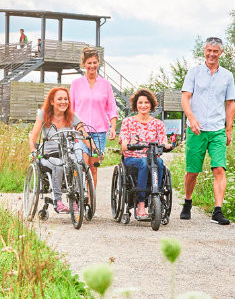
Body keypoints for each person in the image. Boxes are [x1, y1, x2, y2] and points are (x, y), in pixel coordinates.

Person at [180, 36, 235, 225]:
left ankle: (217, 211)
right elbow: (185, 97)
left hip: (217, 129)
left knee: (219, 168)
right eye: (209, 50)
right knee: (192, 171)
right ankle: (188, 202)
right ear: (204, 51)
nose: (212, 54)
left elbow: (230, 103)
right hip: (196, 129)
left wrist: (228, 129)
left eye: (215, 51)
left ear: (221, 53)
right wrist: (191, 118)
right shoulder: (194, 72)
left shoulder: (227, 76)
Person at [28, 87, 88, 213]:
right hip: (48, 154)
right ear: (52, 101)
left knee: (77, 162)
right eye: (59, 99)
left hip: (66, 151)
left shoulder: (72, 116)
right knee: (59, 165)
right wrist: (33, 150)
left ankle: (74, 199)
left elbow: (84, 135)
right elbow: (33, 137)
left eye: (66, 99)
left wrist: (95, 149)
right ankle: (58, 201)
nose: (63, 102)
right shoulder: (44, 115)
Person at [69, 47, 117, 190]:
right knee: (82, 163)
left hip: (99, 132)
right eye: (89, 63)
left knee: (93, 168)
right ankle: (79, 197)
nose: (92, 66)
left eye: (94, 62)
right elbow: (71, 108)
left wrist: (113, 127)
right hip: (79, 131)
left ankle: (90, 202)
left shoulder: (105, 84)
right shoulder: (76, 84)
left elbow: (111, 108)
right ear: (84, 64)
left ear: (98, 63)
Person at [119, 88, 171, 219]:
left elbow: (163, 141)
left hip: (152, 158)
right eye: (140, 102)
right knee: (143, 162)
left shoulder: (158, 124)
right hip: (133, 158)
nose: (143, 105)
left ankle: (156, 197)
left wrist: (167, 145)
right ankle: (141, 203)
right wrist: (131, 142)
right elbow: (123, 145)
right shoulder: (128, 122)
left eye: (146, 102)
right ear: (136, 105)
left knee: (159, 162)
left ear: (151, 105)